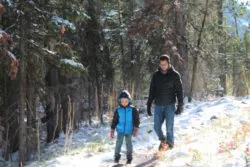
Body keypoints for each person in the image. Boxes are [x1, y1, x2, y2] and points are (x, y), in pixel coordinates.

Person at [147, 55, 184, 151]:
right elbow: (152, 90)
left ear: (169, 63)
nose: (163, 66)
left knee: (169, 128)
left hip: (170, 105)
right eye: (161, 64)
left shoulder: (175, 75)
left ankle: (170, 145)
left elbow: (179, 91)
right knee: (156, 127)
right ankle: (163, 140)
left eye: (165, 64)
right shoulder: (156, 75)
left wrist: (180, 104)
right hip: (158, 105)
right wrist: (149, 104)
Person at [110, 90, 140, 164]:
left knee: (129, 144)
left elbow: (137, 120)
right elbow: (114, 120)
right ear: (120, 101)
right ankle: (116, 157)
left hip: (129, 130)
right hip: (120, 130)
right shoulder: (118, 110)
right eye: (122, 101)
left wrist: (136, 128)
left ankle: (129, 158)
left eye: (126, 101)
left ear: (129, 100)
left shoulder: (133, 110)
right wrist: (112, 130)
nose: (124, 103)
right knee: (118, 144)